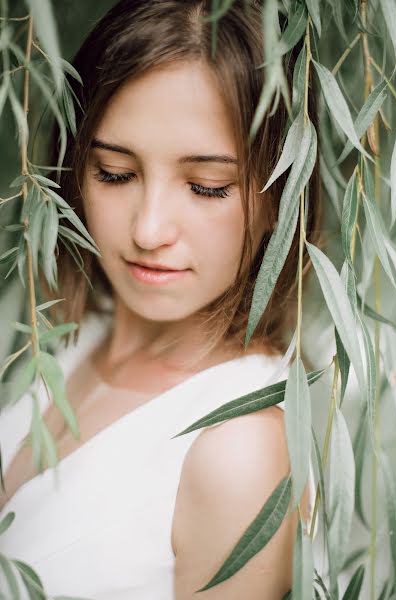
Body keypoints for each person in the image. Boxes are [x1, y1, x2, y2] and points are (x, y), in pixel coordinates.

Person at [0, 0, 321, 598]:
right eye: (115, 173)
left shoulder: (239, 450)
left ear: (283, 191)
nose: (148, 230)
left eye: (207, 187)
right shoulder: (65, 337)